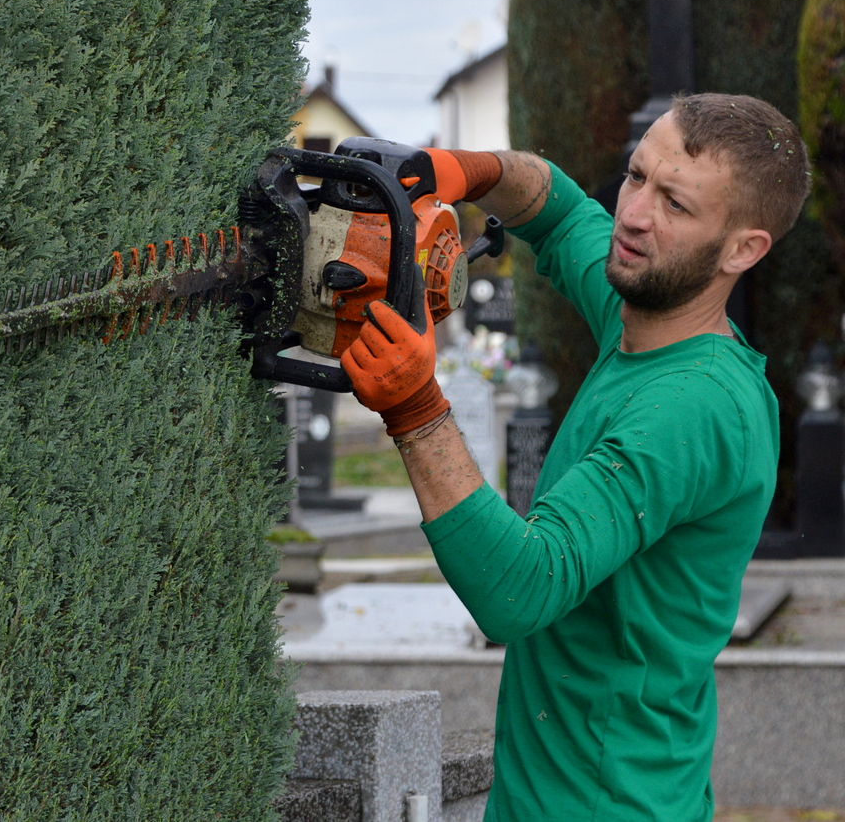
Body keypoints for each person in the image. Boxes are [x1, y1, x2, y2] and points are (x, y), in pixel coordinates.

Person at [340, 93, 811, 821]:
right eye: (636, 176)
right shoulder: (645, 313)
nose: (634, 212)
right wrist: (455, 171)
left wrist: (416, 408)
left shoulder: (692, 408)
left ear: (743, 248)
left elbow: (521, 589)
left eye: (676, 204)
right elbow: (556, 206)